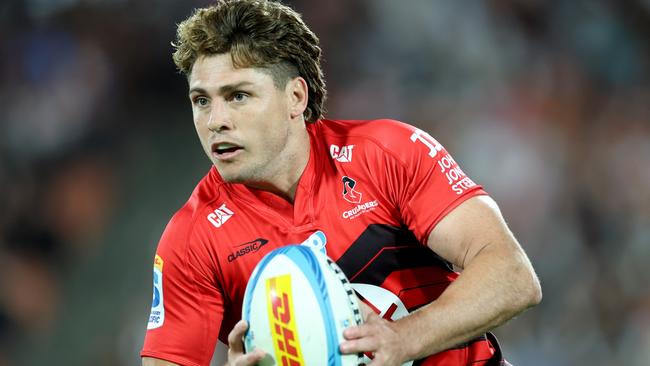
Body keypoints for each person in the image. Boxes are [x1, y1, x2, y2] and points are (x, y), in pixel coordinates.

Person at [141, 0, 542, 365]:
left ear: (296, 97)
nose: (215, 121)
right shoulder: (192, 238)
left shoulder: (386, 153)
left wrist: (404, 338)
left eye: (239, 96)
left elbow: (512, 275)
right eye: (202, 100)